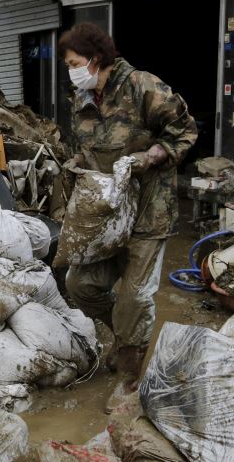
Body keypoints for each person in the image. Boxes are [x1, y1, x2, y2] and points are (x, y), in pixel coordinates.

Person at [59, 22, 198, 382]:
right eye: (68, 66)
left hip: (150, 209)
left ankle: (130, 377)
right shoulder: (83, 100)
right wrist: (79, 163)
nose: (72, 72)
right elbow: (89, 147)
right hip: (109, 212)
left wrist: (150, 157)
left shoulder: (142, 86)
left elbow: (185, 132)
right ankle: (125, 340)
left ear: (96, 58)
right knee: (80, 285)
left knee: (135, 297)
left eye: (75, 63)